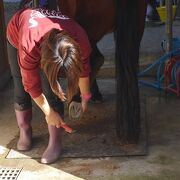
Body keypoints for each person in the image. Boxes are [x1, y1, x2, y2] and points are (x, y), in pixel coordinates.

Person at [6, 7, 92, 164]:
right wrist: (48, 113)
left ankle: (55, 142)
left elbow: (83, 72)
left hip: (47, 41)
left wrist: (85, 96)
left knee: (52, 93)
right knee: (20, 85)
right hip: (18, 33)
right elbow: (31, 86)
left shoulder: (80, 38)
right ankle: (25, 129)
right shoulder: (29, 44)